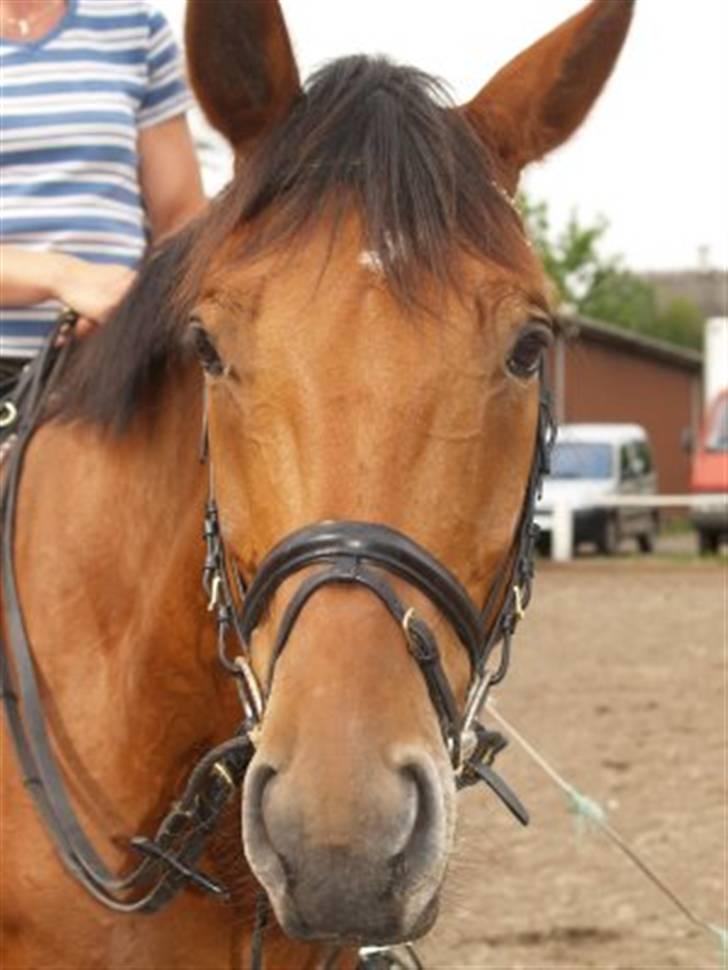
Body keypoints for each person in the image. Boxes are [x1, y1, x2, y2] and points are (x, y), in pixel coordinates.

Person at [0, 0, 205, 380]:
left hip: (110, 368)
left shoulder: (136, 27)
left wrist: (136, 306)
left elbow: (181, 217)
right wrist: (64, 277)